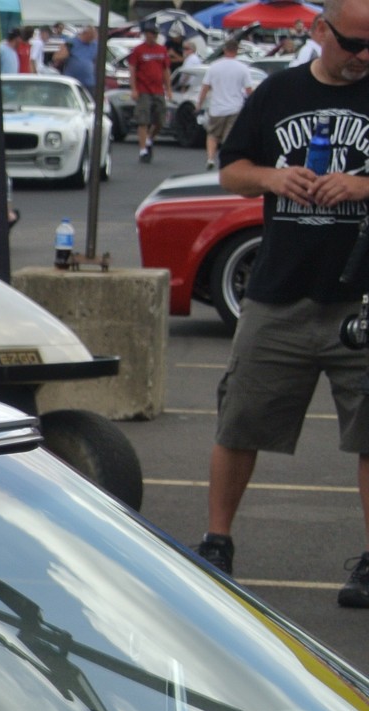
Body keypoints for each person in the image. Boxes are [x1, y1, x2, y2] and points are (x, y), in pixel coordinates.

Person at [196, 0, 369, 605]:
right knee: (239, 422)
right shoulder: (277, 92)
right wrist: (274, 177)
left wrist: (361, 185)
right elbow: (231, 170)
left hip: (359, 299)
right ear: (321, 30)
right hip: (279, 292)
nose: (363, 57)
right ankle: (217, 543)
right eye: (354, 44)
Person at [200, 34, 256, 170]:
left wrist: (199, 104)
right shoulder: (243, 68)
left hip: (217, 107)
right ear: (237, 51)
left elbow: (205, 87)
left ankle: (210, 158)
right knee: (229, 136)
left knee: (212, 134)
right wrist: (253, 106)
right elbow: (249, 90)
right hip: (235, 107)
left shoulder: (214, 67)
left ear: (224, 50)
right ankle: (225, 160)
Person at [127, 26, 170, 162]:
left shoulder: (162, 50)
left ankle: (149, 138)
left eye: (154, 34)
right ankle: (143, 150)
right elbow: (132, 69)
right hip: (143, 89)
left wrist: (168, 89)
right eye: (150, 33)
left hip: (158, 90)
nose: (152, 36)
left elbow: (165, 70)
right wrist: (134, 89)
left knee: (160, 120)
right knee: (143, 120)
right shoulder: (138, 50)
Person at [60, 23, 98, 88]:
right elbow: (57, 57)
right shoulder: (71, 42)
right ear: (85, 34)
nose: (93, 39)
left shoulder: (95, 45)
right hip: (72, 81)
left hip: (89, 82)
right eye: (91, 36)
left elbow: (97, 61)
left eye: (94, 37)